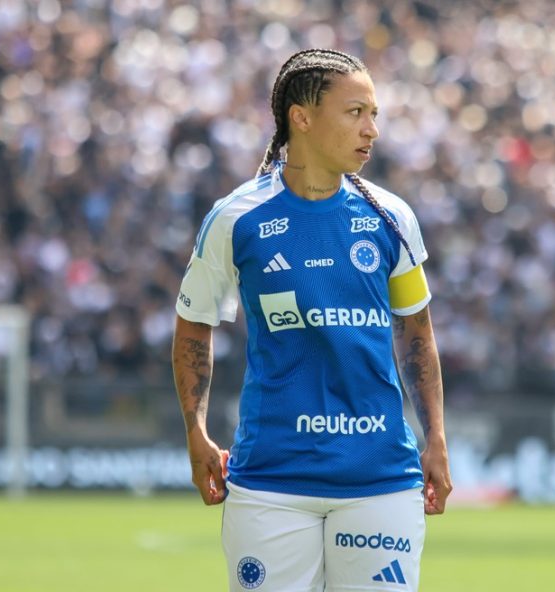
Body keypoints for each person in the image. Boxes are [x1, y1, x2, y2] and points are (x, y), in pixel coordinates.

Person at [172, 48, 452, 592]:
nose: (371, 130)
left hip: (379, 478)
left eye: (375, 114)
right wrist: (196, 431)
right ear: (301, 116)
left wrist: (436, 437)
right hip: (270, 480)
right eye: (355, 112)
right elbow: (193, 324)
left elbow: (416, 332)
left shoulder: (392, 218)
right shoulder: (236, 218)